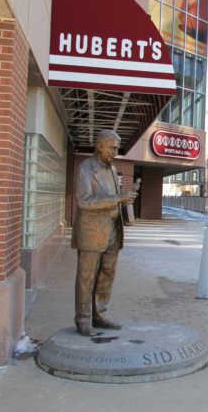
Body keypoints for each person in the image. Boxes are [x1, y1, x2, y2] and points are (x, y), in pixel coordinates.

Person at [71, 130, 137, 336]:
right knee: (87, 277)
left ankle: (98, 314)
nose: (115, 152)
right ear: (100, 145)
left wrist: (124, 199)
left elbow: (112, 196)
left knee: (106, 275)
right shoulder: (86, 169)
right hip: (92, 233)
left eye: (117, 148)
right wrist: (118, 199)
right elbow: (84, 201)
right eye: (112, 147)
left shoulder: (112, 168)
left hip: (112, 232)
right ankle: (83, 319)